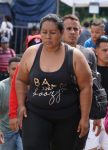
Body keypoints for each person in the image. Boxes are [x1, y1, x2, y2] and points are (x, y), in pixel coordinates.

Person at [15, 13, 93, 150]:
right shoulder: (31, 53)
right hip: (35, 113)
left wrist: (85, 118)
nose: (48, 36)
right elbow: (20, 79)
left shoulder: (75, 56)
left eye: (53, 32)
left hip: (68, 116)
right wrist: (21, 105)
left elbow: (86, 87)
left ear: (61, 32)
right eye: (44, 32)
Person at [62, 14, 101, 150]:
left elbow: (95, 86)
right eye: (69, 28)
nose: (72, 32)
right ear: (61, 30)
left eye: (75, 29)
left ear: (80, 31)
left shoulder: (89, 54)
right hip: (56, 112)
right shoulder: (51, 52)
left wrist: (97, 116)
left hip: (81, 114)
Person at [0, 57, 23, 150]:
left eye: (19, 69)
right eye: (14, 69)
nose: (17, 71)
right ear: (8, 69)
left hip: (23, 131)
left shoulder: (27, 87)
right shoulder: (2, 87)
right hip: (5, 132)